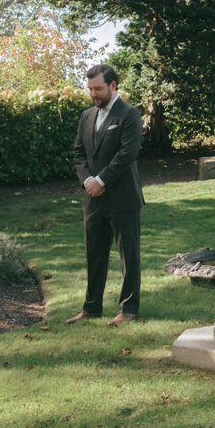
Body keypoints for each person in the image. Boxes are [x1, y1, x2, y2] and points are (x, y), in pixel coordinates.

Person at [65, 64, 144, 326]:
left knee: (128, 256)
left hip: (123, 198)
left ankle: (129, 310)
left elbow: (127, 154)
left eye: (98, 88)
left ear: (113, 85)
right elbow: (78, 153)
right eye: (90, 89)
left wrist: (101, 180)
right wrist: (88, 180)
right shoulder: (87, 116)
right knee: (94, 254)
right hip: (93, 199)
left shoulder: (129, 114)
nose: (93, 94)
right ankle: (91, 307)